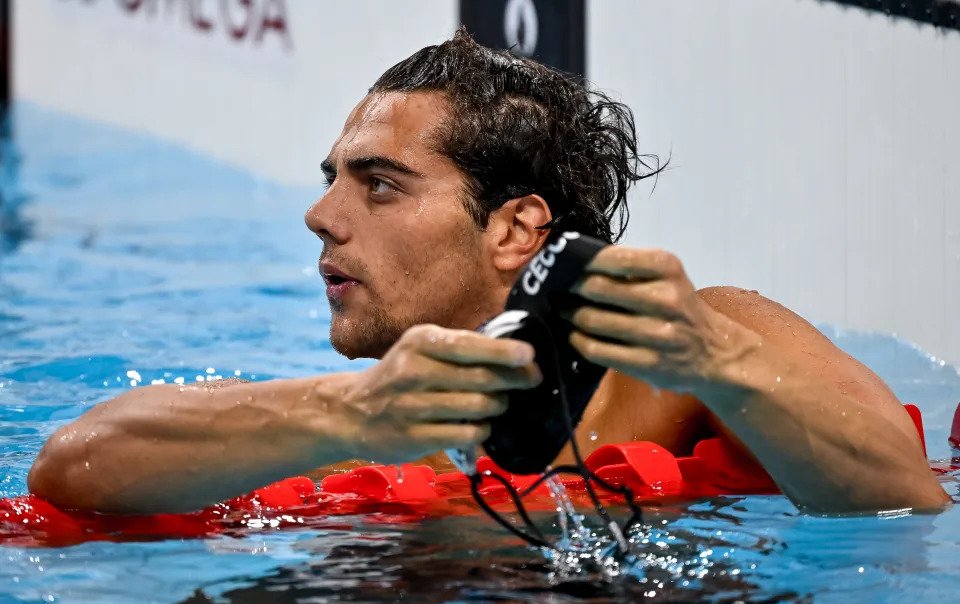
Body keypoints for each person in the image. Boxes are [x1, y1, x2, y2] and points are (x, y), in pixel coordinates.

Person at [27, 29, 948, 516]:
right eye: (330, 179)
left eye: (378, 185)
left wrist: (717, 362)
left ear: (515, 228)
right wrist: (348, 413)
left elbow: (902, 493)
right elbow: (67, 470)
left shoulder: (698, 348)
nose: (320, 214)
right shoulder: (345, 423)